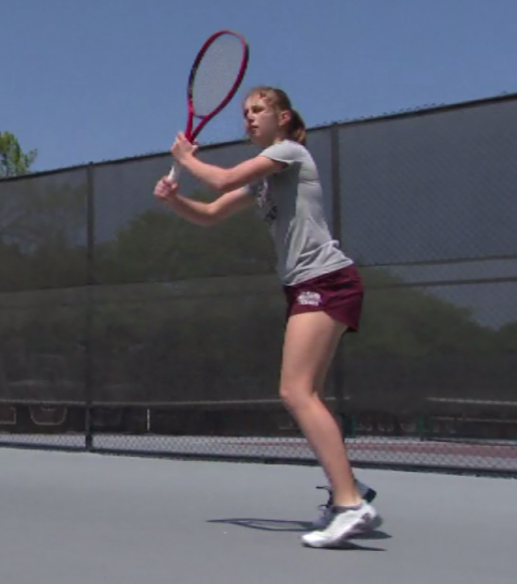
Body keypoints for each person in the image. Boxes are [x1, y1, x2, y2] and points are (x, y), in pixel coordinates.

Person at [153, 86, 380, 548]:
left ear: (284, 116)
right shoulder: (263, 182)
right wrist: (175, 200)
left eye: (258, 110)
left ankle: (351, 503)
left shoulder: (290, 153)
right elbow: (213, 211)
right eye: (245, 112)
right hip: (307, 285)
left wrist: (185, 158)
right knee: (305, 393)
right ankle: (348, 495)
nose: (249, 118)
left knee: (294, 391)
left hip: (326, 280)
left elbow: (220, 180)